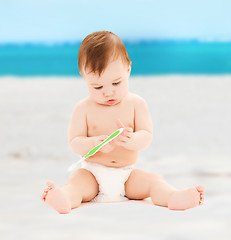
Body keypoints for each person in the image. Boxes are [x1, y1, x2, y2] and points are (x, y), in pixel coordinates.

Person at [41, 31, 204, 214]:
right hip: (93, 173)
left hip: (127, 175)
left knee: (154, 181)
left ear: (128, 69)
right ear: (83, 76)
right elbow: (75, 143)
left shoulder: (136, 104)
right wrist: (97, 143)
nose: (108, 92)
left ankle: (173, 197)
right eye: (98, 87)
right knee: (76, 183)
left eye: (116, 83)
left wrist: (131, 139)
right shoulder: (83, 109)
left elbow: (146, 136)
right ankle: (65, 199)